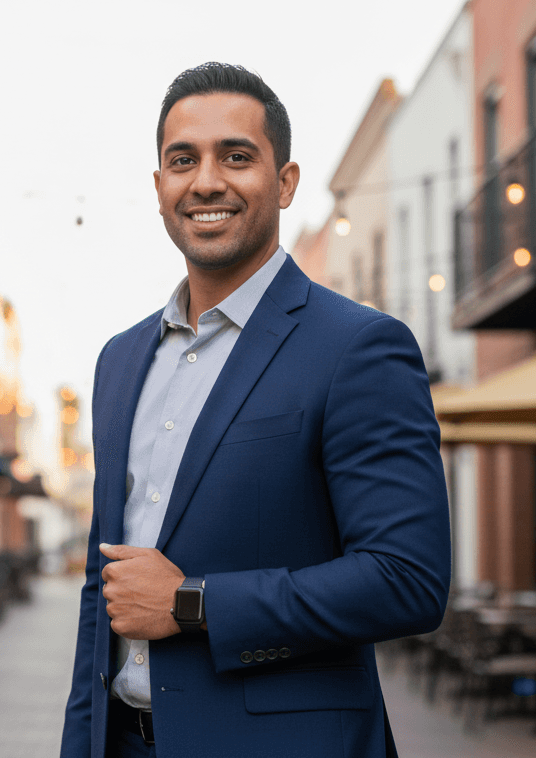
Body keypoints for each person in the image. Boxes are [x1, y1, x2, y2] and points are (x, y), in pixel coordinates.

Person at [59, 63, 451, 758]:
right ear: (159, 189)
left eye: (236, 157)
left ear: (285, 181)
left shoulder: (358, 347)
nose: (206, 181)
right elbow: (106, 589)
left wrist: (192, 604)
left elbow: (407, 580)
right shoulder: (118, 362)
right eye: (183, 160)